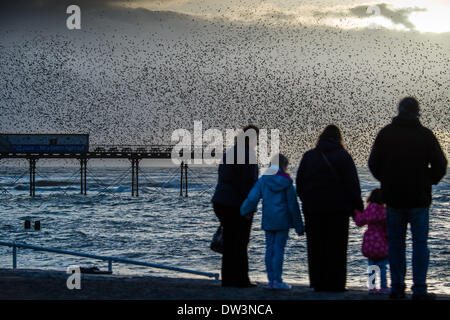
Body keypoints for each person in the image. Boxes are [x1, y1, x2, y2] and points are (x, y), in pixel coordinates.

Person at [369, 97, 447, 300]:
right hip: (419, 199)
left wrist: (386, 180)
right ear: (417, 112)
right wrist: (428, 180)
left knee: (396, 244)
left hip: (394, 198)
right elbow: (441, 164)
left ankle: (397, 287)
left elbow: (373, 163)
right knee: (420, 244)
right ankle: (419, 288)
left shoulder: (386, 133)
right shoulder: (425, 135)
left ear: (399, 110)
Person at [296, 124, 364, 292]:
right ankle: (336, 283)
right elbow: (352, 184)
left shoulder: (309, 156)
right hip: (338, 210)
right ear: (339, 138)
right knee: (337, 247)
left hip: (313, 209)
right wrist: (358, 208)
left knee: (315, 246)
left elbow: (299, 183)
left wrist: (307, 201)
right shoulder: (344, 156)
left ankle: (318, 282)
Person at [240, 154, 304, 290]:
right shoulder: (287, 182)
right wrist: (299, 226)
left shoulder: (263, 180)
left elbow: (252, 198)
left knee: (269, 249)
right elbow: (293, 205)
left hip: (268, 219)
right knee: (279, 249)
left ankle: (271, 280)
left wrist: (244, 211)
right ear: (284, 166)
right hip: (283, 221)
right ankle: (277, 280)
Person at [211, 124, 259, 287]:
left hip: (220, 201)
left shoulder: (231, 151)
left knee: (230, 241)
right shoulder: (248, 154)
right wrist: (250, 208)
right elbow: (249, 185)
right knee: (240, 241)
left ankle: (229, 279)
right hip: (236, 203)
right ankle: (241, 279)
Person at [353, 188, 390, 294]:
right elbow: (388, 228)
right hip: (381, 240)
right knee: (382, 265)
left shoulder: (369, 209)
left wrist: (356, 212)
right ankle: (383, 286)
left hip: (370, 240)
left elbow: (360, 221)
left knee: (371, 265)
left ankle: (372, 287)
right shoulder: (384, 211)